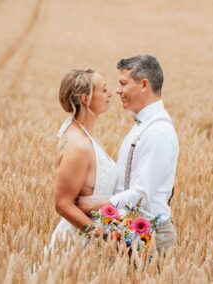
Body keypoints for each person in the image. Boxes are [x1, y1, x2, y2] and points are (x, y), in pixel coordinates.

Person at [76, 55, 179, 252]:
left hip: (150, 237)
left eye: (123, 83)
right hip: (133, 231)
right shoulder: (143, 125)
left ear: (144, 85)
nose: (118, 90)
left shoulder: (156, 133)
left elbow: (141, 194)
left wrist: (93, 204)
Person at [46, 69, 117, 251]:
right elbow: (62, 204)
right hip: (80, 245)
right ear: (85, 99)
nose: (110, 94)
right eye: (103, 90)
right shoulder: (79, 146)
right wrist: (103, 237)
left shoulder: (84, 135)